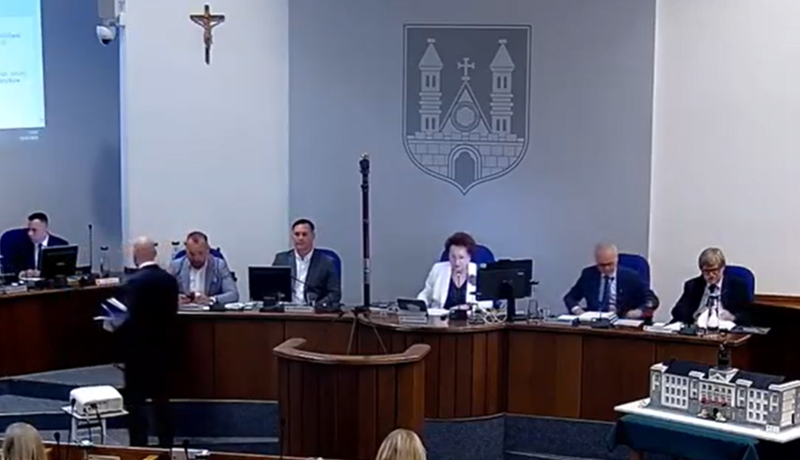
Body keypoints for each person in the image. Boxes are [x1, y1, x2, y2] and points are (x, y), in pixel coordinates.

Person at [118, 237, 179, 447]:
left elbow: (123, 317)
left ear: (136, 255)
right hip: (164, 349)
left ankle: (139, 445)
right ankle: (166, 443)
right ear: (154, 254)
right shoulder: (169, 280)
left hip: (137, 352)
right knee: (162, 400)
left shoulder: (133, 283)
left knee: (136, 403)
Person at [563, 243, 649, 318]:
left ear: (616, 260)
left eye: (610, 264)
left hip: (622, 320)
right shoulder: (588, 275)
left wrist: (639, 311)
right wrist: (577, 310)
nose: (606, 268)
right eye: (602, 265)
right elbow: (570, 298)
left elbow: (649, 299)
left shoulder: (631, 276)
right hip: (595, 322)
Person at [671, 247, 751, 325]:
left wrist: (732, 317)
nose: (711, 275)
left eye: (714, 270)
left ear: (722, 268)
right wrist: (694, 315)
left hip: (724, 327)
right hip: (697, 327)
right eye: (706, 271)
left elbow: (747, 315)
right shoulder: (693, 285)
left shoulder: (736, 285)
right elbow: (677, 311)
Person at [272, 219, 341, 306]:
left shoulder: (326, 262)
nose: (300, 238)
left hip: (314, 310)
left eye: (304, 234)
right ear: (292, 237)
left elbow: (335, 294)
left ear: (313, 236)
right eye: (297, 234)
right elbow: (272, 289)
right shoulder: (281, 259)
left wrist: (318, 306)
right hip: (286, 309)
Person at [417, 232, 492, 311]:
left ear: (469, 257)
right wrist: (419, 305)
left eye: (461, 257)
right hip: (440, 316)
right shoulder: (438, 269)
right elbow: (426, 293)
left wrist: (469, 306)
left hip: (469, 317)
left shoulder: (478, 272)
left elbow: (489, 301)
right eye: (453, 257)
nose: (456, 262)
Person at [169, 231, 239, 306]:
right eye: (192, 254)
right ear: (186, 251)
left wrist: (211, 299)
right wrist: (174, 298)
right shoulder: (176, 266)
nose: (196, 258)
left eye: (200, 253)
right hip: (183, 311)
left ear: (208, 250)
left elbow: (233, 295)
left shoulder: (219, 265)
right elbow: (162, 293)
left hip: (209, 311)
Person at [4, 212, 69, 277]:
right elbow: (8, 265)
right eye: (29, 229)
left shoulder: (60, 245)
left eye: (34, 230)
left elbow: (64, 270)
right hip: (28, 281)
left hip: (50, 281)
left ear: (45, 229)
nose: (30, 233)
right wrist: (22, 273)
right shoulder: (20, 244)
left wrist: (44, 274)